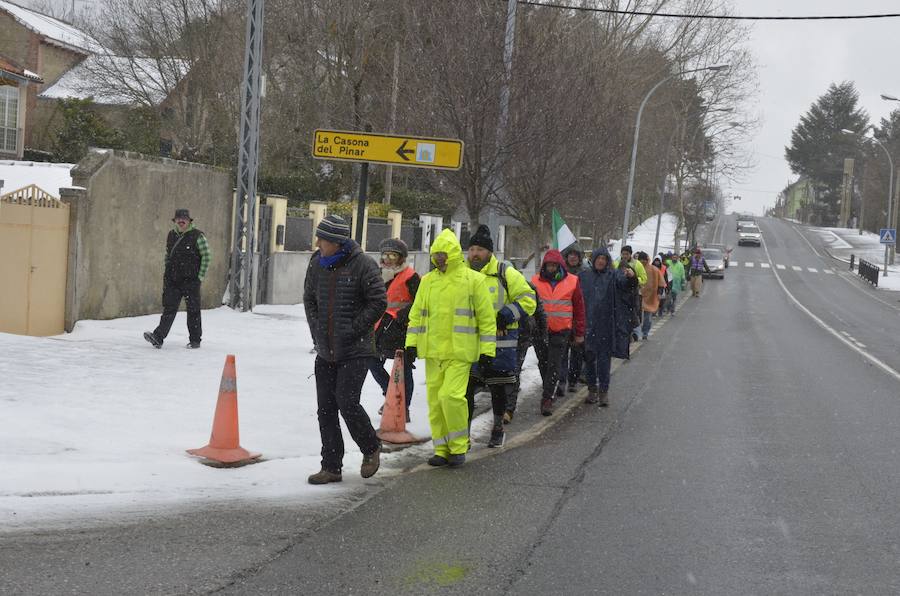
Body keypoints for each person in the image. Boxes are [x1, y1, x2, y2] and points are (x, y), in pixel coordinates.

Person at [303, 215, 386, 485]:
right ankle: (331, 466)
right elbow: (309, 298)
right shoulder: (316, 263)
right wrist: (316, 329)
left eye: (322, 240)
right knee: (325, 409)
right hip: (325, 349)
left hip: (356, 350)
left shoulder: (363, 265)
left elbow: (378, 302)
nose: (318, 243)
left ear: (337, 243)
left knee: (346, 402)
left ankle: (370, 447)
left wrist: (352, 328)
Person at [406, 229, 496, 467]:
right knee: (435, 402)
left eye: (444, 254)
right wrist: (411, 345)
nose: (440, 258)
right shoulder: (427, 282)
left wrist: (487, 350)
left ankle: (458, 447)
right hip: (434, 352)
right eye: (436, 254)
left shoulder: (473, 281)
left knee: (451, 397)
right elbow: (416, 315)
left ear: (454, 254)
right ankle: (441, 449)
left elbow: (487, 319)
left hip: (460, 352)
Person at [464, 225, 536, 448]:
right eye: (472, 249)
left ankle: (497, 428)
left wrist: (506, 315)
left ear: (489, 252)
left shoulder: (505, 273)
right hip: (468, 344)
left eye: (480, 249)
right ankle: (462, 435)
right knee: (464, 392)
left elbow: (528, 299)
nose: (475, 253)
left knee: (497, 389)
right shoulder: (462, 274)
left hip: (500, 344)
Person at [144, 209, 211, 349]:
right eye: (178, 219)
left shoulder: (197, 236)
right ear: (174, 221)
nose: (181, 221)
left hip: (191, 280)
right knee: (169, 309)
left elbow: (207, 256)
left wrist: (200, 277)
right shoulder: (171, 235)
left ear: (189, 221)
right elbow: (168, 255)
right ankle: (158, 337)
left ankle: (195, 340)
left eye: (184, 219)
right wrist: (167, 272)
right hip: (173, 280)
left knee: (193, 311)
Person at [369, 238, 420, 422]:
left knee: (404, 370)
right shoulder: (379, 275)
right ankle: (390, 395)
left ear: (401, 258)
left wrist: (402, 316)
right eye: (385, 254)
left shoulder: (410, 276)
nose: (388, 258)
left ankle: (403, 408)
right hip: (380, 329)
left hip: (401, 330)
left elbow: (419, 302)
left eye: (393, 255)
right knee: (372, 362)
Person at [579, 247, 637, 406]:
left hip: (606, 326)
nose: (601, 261)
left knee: (604, 361)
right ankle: (592, 390)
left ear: (607, 261)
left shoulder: (613, 275)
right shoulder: (584, 276)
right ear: (594, 259)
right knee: (589, 360)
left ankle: (603, 392)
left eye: (604, 259)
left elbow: (626, 284)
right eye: (599, 258)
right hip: (588, 326)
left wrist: (632, 278)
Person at [531, 249, 586, 416]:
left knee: (554, 364)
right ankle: (549, 387)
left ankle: (547, 398)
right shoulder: (534, 281)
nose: (551, 268)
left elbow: (579, 308)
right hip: (540, 331)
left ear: (560, 265)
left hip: (561, 331)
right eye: (549, 265)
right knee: (543, 363)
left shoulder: (572, 281)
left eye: (554, 265)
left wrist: (579, 332)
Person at [507, 278, 546, 424]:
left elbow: (539, 311)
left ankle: (509, 409)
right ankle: (504, 405)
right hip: (501, 335)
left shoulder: (527, 287)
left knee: (514, 369)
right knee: (505, 371)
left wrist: (543, 333)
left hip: (522, 334)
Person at [561, 244, 587, 393]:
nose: (573, 257)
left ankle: (573, 380)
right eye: (570, 255)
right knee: (563, 353)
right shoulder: (561, 273)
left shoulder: (585, 273)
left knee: (577, 353)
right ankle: (562, 380)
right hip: (563, 317)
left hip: (578, 318)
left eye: (575, 255)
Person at [613, 245, 644, 342]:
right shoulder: (616, 263)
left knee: (633, 314)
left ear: (630, 254)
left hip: (634, 293)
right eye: (623, 254)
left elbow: (644, 278)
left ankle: (635, 334)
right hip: (619, 294)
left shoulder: (637, 264)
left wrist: (633, 279)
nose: (625, 256)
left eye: (627, 254)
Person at [637, 252, 664, 340]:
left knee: (647, 317)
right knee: (637, 316)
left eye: (644, 260)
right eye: (641, 260)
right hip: (637, 296)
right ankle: (637, 333)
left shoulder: (654, 270)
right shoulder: (636, 268)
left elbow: (661, 283)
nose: (642, 262)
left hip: (650, 296)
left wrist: (659, 293)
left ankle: (645, 332)